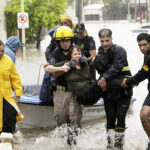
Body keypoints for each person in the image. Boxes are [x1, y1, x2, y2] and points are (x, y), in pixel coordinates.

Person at [94, 28, 132, 149]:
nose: (105, 44)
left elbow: (117, 67)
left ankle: (119, 145)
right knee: (110, 119)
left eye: (107, 40)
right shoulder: (99, 54)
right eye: (102, 41)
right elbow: (99, 69)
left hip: (123, 91)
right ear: (99, 41)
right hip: (108, 92)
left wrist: (104, 78)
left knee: (120, 117)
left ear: (111, 38)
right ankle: (109, 145)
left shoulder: (120, 50)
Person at [121, 33, 150, 150]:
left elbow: (143, 73)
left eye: (145, 45)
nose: (142, 48)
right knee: (144, 115)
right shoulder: (146, 54)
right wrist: (136, 81)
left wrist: (128, 82)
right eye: (139, 45)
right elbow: (144, 70)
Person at [0, 40, 23, 133]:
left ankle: (9, 139)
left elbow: (15, 78)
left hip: (7, 96)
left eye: (2, 51)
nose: (1, 53)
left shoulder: (8, 60)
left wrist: (18, 93)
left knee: (10, 118)